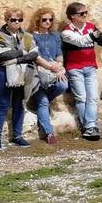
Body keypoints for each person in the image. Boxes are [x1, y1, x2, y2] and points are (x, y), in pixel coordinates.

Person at [0, 7, 58, 151]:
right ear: (7, 20)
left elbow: (33, 55)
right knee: (1, 104)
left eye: (19, 20)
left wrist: (15, 59)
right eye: (13, 20)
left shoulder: (27, 36)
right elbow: (1, 55)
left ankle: (17, 136)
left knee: (19, 105)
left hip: (23, 73)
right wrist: (23, 52)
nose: (16, 22)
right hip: (3, 72)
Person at [61, 2, 102, 141]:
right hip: (75, 68)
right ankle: (90, 127)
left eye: (86, 12)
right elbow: (81, 41)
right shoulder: (67, 32)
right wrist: (99, 30)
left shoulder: (90, 27)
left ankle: (89, 127)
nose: (85, 15)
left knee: (92, 97)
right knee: (81, 98)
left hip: (90, 66)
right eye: (81, 13)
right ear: (72, 16)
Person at [28, 8, 69, 144]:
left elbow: (59, 54)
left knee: (63, 84)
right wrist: (51, 67)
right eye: (44, 19)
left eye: (50, 19)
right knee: (43, 101)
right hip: (38, 71)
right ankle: (49, 133)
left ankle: (40, 105)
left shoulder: (55, 35)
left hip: (54, 69)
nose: (47, 22)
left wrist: (60, 67)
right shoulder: (31, 36)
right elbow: (36, 57)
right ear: (38, 20)